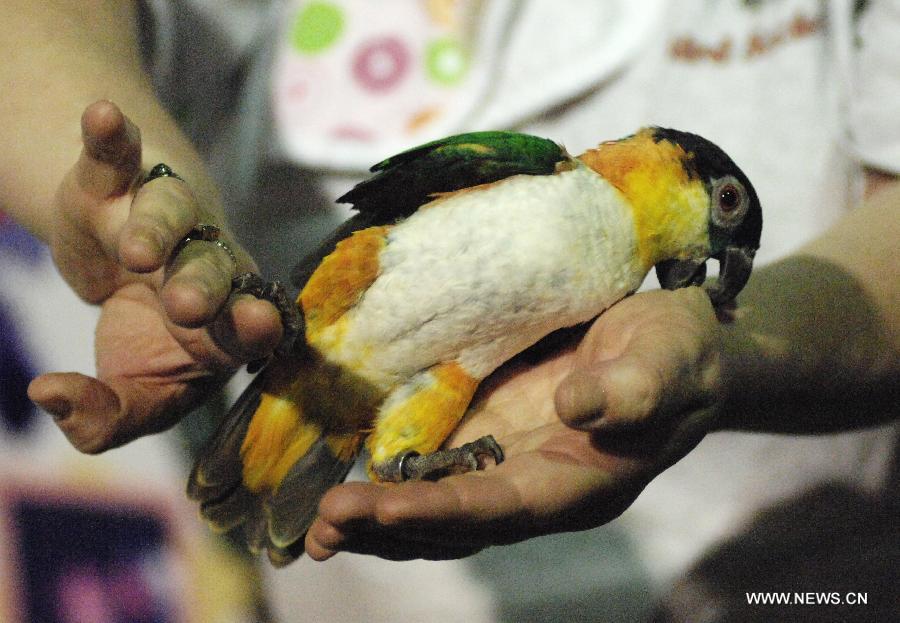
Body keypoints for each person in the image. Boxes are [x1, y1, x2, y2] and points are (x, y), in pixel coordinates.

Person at [2, 0, 897, 617]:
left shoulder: (611, 278)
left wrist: (723, 356)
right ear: (666, 161)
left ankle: (399, 456)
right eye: (725, 212)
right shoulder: (551, 169)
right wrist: (140, 198)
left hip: (809, 591)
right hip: (343, 365)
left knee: (422, 418)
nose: (719, 249)